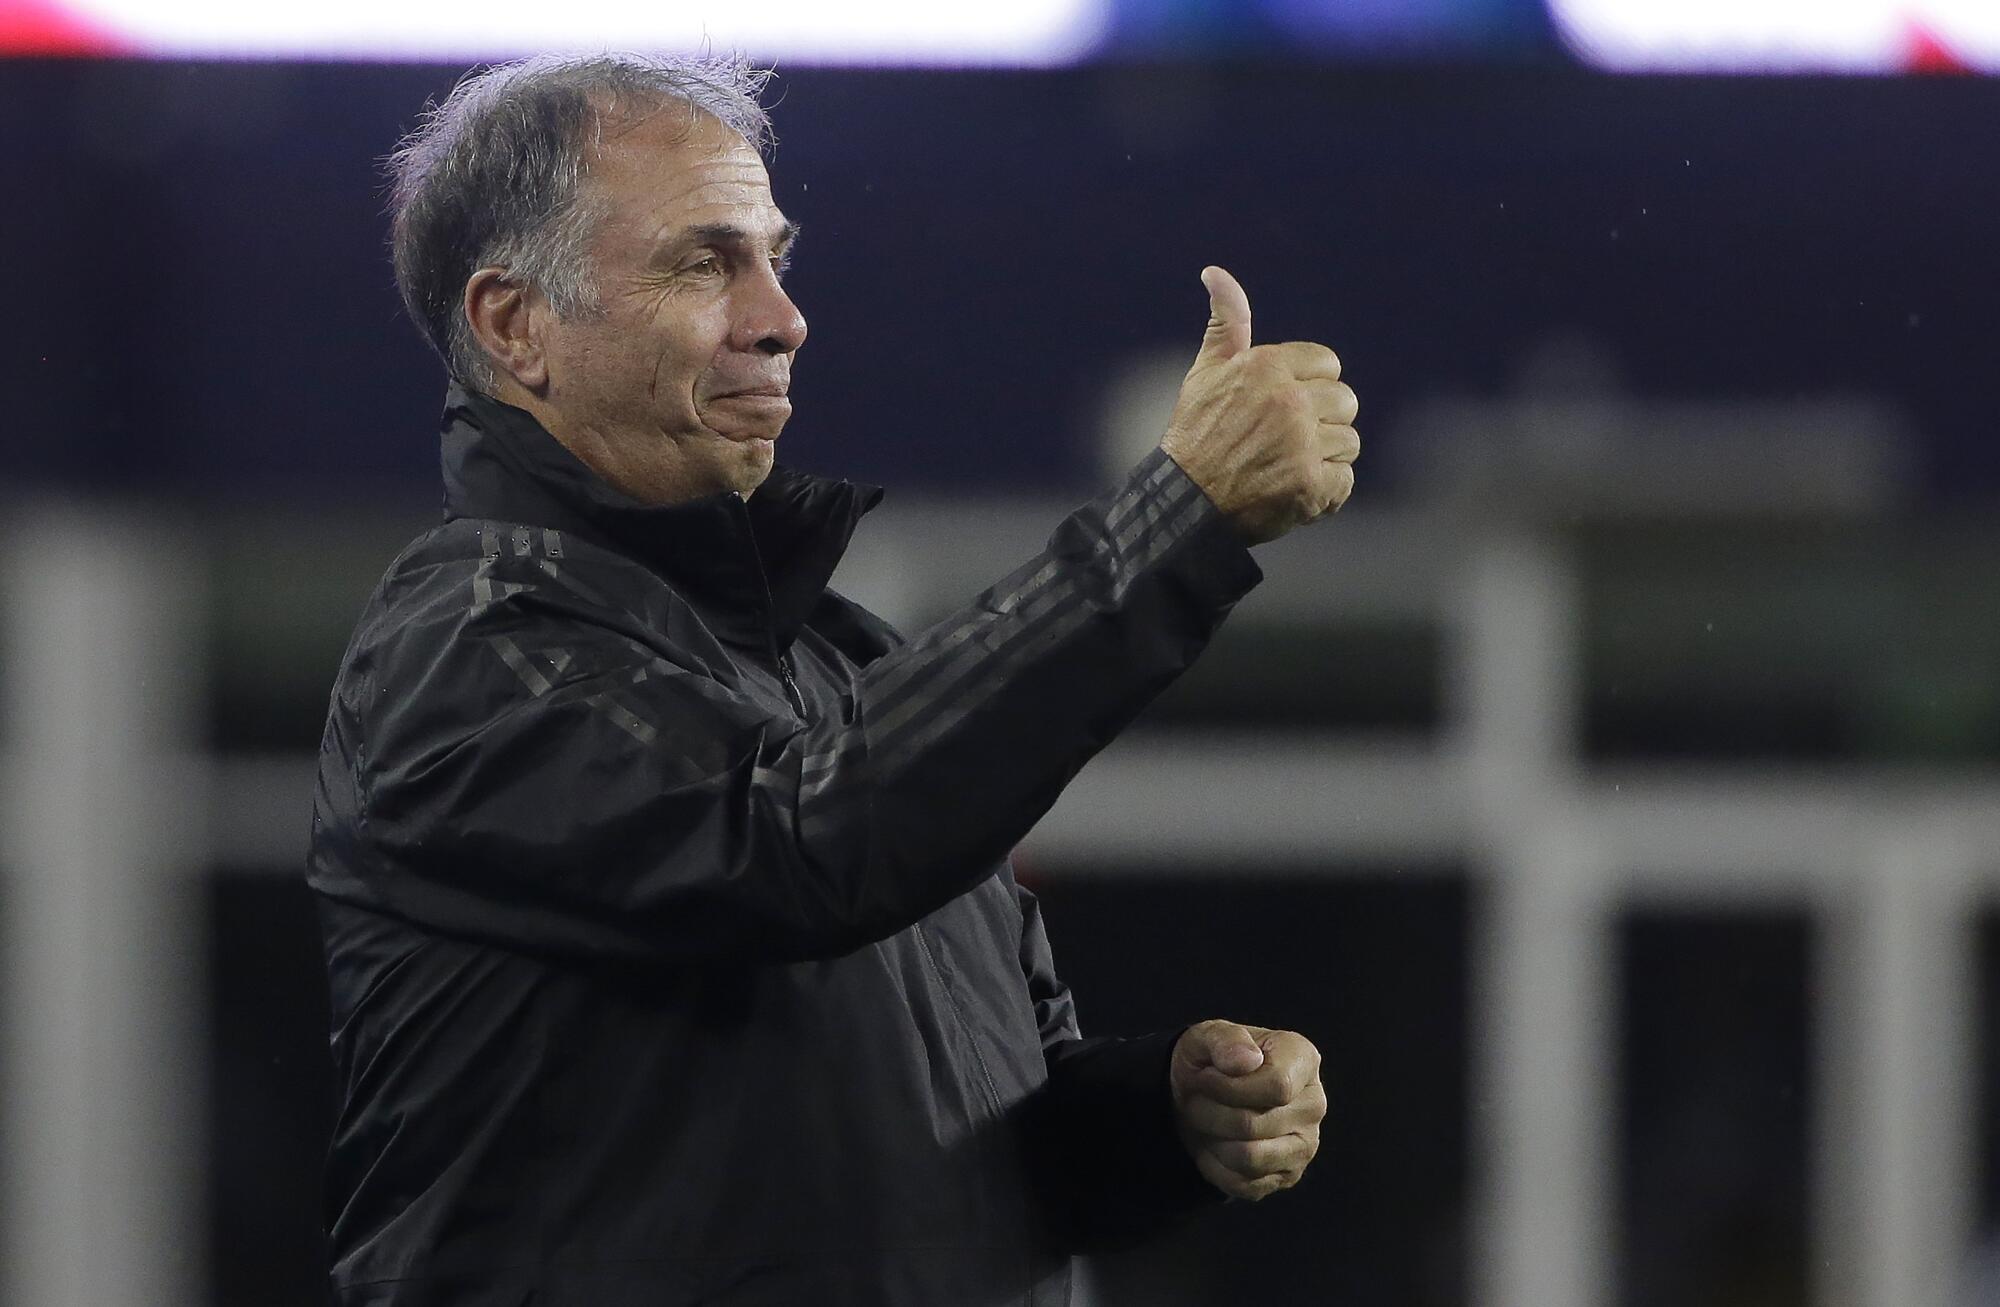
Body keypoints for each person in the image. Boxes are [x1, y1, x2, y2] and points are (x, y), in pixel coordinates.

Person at [308, 52, 1358, 1307]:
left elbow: (980, 1132)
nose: (779, 316)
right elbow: (794, 845)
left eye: (774, 256)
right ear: (514, 325)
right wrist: (1172, 527)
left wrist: (1162, 1114)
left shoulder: (840, 666)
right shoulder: (463, 646)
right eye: (703, 263)